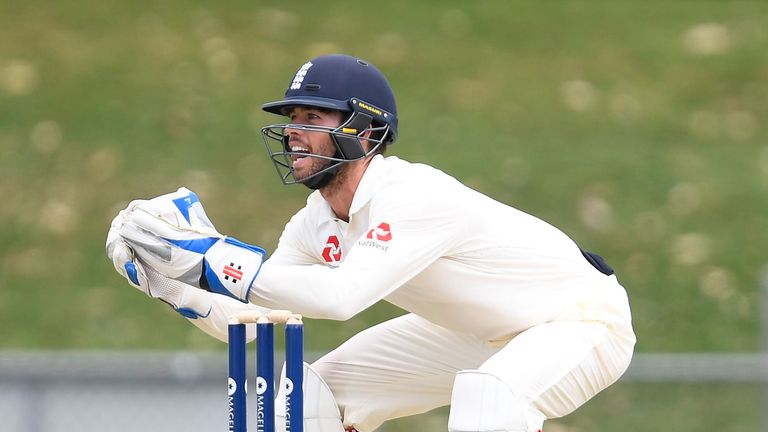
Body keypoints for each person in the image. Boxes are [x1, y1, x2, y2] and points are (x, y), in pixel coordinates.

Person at [107, 54, 635, 432]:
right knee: (314, 396)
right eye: (292, 121)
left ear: (366, 132)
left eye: (313, 118)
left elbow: (342, 298)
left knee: (490, 397)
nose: (295, 132)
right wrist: (172, 279)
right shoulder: (314, 223)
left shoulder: (413, 194)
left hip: (582, 322)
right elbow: (249, 322)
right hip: (477, 331)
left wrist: (211, 253)